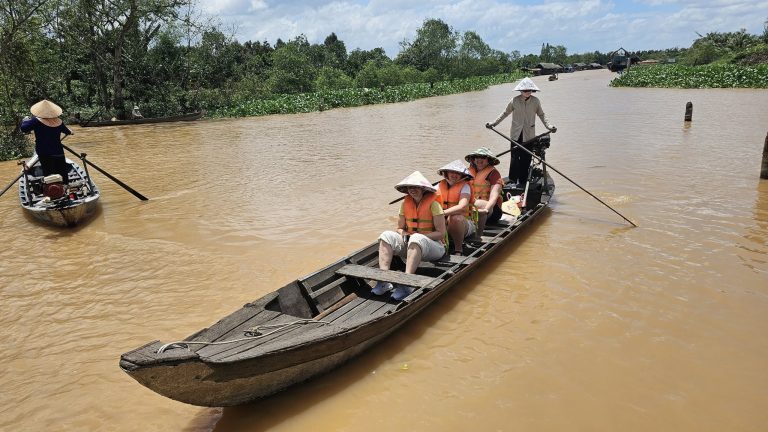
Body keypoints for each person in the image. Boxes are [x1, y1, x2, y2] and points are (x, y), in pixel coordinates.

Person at [374, 171, 448, 300]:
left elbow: (441, 233)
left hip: (435, 247)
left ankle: (407, 284)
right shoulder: (405, 204)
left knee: (416, 238)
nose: (412, 190)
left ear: (423, 188)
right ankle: (384, 281)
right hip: (412, 244)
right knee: (386, 235)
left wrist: (418, 237)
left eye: (416, 187)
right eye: (410, 187)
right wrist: (405, 234)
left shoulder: (434, 205)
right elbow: (400, 228)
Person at [486, 77, 556, 187]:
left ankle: (523, 181)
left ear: (532, 90)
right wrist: (493, 123)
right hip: (515, 134)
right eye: (524, 90)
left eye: (529, 90)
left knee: (526, 158)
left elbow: (541, 115)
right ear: (520, 91)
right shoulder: (514, 101)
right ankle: (513, 180)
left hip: (529, 135)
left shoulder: (535, 101)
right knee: (514, 158)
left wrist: (549, 126)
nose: (527, 92)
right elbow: (505, 113)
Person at [20, 99, 73, 184]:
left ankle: (52, 191)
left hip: (44, 152)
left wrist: (25, 121)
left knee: (49, 175)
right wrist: (70, 132)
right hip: (58, 151)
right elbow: (67, 131)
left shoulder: (36, 121)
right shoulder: (58, 121)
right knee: (62, 172)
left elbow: (24, 128)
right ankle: (65, 187)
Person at [436, 160, 475, 255]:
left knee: (456, 217)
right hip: (443, 222)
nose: (454, 175)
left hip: (464, 223)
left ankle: (458, 249)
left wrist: (442, 213)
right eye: (452, 172)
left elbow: (462, 206)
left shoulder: (465, 187)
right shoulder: (438, 186)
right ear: (446, 173)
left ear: (462, 175)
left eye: (458, 173)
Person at [465, 147, 504, 237]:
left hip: (491, 210)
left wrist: (486, 210)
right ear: (473, 160)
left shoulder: (494, 173)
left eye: (482, 158)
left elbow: (494, 197)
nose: (479, 160)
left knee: (475, 203)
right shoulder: (468, 172)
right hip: (470, 207)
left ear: (488, 160)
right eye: (476, 158)